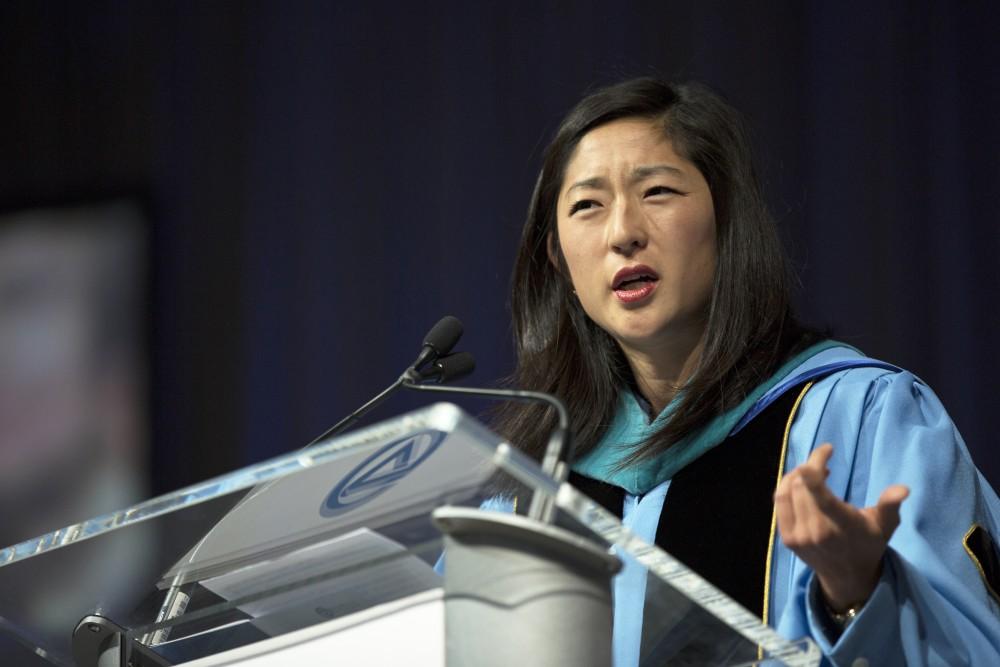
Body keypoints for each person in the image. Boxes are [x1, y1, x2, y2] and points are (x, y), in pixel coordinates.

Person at [491, 78, 1000, 666]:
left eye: (656, 191)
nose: (622, 231)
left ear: (726, 220)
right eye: (587, 205)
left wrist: (859, 594)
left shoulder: (866, 418)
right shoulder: (533, 487)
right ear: (557, 258)